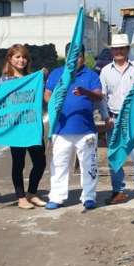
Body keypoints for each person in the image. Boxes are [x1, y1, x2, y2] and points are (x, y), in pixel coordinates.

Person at [44, 42, 103, 210]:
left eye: (78, 56)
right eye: (72, 56)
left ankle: (89, 196)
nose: (75, 59)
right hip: (61, 129)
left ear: (83, 57)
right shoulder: (57, 73)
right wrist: (54, 102)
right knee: (59, 164)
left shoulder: (91, 75)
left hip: (86, 130)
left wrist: (85, 92)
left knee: (88, 165)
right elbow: (47, 94)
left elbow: (99, 96)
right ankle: (57, 197)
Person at [100, 33, 134, 205]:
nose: (119, 51)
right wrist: (105, 117)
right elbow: (102, 97)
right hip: (114, 120)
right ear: (112, 51)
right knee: (115, 158)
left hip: (133, 120)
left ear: (128, 49)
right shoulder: (105, 71)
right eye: (116, 49)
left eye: (122, 48)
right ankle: (119, 191)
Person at [0, 44, 47, 209]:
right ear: (10, 59)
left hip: (33, 125)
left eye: (24, 57)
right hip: (16, 127)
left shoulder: (33, 78)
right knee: (18, 163)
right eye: (18, 57)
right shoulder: (5, 80)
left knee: (40, 162)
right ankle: (20, 197)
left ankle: (31, 193)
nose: (21, 60)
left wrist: (42, 77)